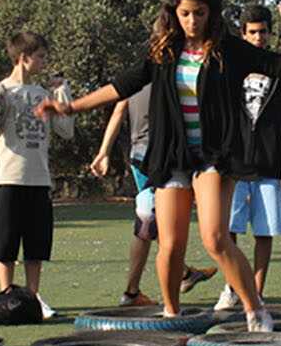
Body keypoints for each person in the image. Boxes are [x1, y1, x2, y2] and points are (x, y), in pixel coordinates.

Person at [36, 0, 281, 329]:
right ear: (174, 14)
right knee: (171, 245)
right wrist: (70, 108)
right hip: (173, 155)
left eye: (199, 13)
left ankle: (255, 309)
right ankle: (171, 314)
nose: (192, 21)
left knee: (214, 237)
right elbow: (120, 86)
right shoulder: (162, 53)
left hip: (215, 155)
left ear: (211, 13)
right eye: (185, 14)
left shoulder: (229, 49)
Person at [0, 30, 75, 319]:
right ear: (23, 58)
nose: (45, 62)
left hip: (39, 180)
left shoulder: (43, 94)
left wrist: (62, 93)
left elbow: (66, 131)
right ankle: (7, 297)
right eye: (41, 57)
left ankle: (33, 298)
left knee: (36, 247)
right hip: (8, 179)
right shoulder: (1, 90)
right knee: (6, 246)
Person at [91, 88, 217, 306]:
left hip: (148, 155)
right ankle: (134, 292)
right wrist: (103, 152)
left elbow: (118, 113)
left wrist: (104, 152)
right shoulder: (163, 75)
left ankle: (180, 274)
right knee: (148, 220)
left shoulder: (137, 76)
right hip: (154, 157)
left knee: (152, 219)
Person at [221, 5, 281, 307]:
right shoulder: (230, 67)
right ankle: (232, 288)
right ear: (243, 33)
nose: (258, 37)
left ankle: (256, 290)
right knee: (230, 230)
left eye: (263, 31)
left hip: (269, 164)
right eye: (252, 31)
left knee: (264, 232)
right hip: (235, 165)